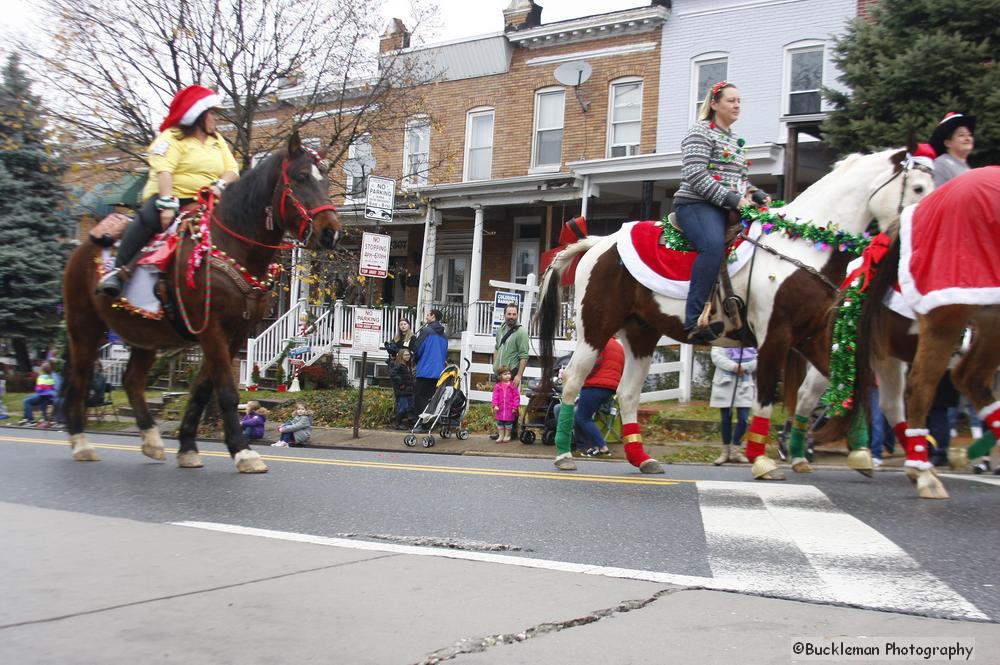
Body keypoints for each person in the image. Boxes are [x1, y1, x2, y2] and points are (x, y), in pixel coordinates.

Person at [98, 85, 239, 297]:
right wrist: (167, 205)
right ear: (199, 116)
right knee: (148, 219)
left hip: (208, 201)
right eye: (211, 114)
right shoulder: (171, 137)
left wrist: (219, 186)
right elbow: (164, 171)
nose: (215, 119)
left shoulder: (216, 141)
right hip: (174, 197)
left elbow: (233, 169)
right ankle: (118, 271)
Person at [674, 81, 769, 343]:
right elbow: (695, 174)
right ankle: (693, 321)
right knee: (713, 246)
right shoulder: (700, 132)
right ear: (714, 104)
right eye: (731, 100)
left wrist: (755, 193)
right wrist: (734, 199)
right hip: (696, 204)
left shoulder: (734, 140)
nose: (737, 105)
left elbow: (738, 181)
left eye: (739, 100)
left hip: (727, 206)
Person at [574, 337, 624, 457]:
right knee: (586, 416)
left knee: (582, 417)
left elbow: (594, 363)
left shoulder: (599, 341)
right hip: (611, 387)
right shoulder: (618, 346)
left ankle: (601, 447)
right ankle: (591, 446)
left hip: (594, 385)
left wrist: (582, 375)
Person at [709, 346, 757, 465]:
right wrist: (734, 367)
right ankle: (725, 452)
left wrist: (743, 367)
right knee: (726, 419)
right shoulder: (720, 340)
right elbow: (716, 357)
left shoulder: (749, 341)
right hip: (725, 383)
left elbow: (758, 359)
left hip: (744, 384)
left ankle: (736, 450)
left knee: (743, 419)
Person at [412, 309, 448, 419]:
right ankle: (431, 421)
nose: (426, 317)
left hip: (425, 370)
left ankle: (422, 423)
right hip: (438, 372)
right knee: (432, 398)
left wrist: (415, 360)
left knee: (420, 397)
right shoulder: (444, 336)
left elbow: (418, 350)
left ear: (433, 316)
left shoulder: (426, 331)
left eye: (428, 315)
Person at [929, 112, 975, 187]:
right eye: (961, 135)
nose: (967, 138)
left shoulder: (966, 167)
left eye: (969, 135)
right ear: (948, 143)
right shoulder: (940, 165)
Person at [493, 303, 529, 387]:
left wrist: (519, 375)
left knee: (510, 400)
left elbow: (524, 356)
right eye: (509, 314)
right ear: (504, 314)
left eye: (514, 314)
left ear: (517, 315)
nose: (511, 317)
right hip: (499, 374)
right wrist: (495, 366)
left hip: (511, 375)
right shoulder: (500, 330)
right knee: (498, 399)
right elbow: (497, 348)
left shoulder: (521, 333)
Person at [20, 361, 57, 426]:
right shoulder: (50, 378)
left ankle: (31, 420)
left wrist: (37, 389)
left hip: (41, 396)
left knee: (26, 401)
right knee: (27, 397)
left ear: (42, 369)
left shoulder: (41, 377)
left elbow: (39, 389)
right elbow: (52, 389)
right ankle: (25, 418)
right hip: (48, 397)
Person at [492, 366, 520, 442]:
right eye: (505, 374)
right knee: (499, 423)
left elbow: (516, 397)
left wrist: (515, 407)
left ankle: (507, 435)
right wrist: (495, 405)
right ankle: (501, 435)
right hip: (500, 409)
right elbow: (495, 397)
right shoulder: (498, 386)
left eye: (509, 373)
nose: (508, 375)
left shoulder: (513, 385)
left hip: (509, 409)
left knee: (508, 423)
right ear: (500, 376)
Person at [390, 348, 415, 430]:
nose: (408, 356)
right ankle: (397, 424)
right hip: (402, 391)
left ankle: (405, 423)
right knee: (402, 407)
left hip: (408, 391)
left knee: (409, 407)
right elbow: (393, 374)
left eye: (408, 355)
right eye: (406, 355)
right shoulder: (399, 365)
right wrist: (401, 383)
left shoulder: (407, 366)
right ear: (401, 356)